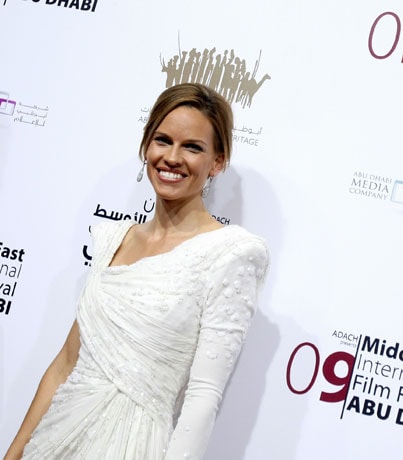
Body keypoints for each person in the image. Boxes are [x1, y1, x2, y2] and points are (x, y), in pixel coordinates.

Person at [3, 83, 269, 460]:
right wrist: (15, 452)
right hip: (54, 440)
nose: (172, 157)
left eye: (193, 147)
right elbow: (65, 364)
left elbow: (203, 396)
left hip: (130, 446)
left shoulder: (232, 254)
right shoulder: (112, 238)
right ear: (146, 146)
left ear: (218, 161)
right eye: (162, 140)